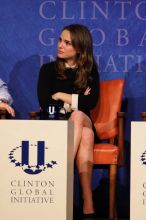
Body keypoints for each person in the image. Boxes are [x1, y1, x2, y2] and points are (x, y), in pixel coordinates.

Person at [37, 24, 100, 218]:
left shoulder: (89, 71)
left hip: (81, 119)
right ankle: (88, 201)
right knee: (87, 135)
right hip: (56, 126)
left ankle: (60, 174)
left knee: (79, 116)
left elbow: (91, 101)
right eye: (60, 40)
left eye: (67, 43)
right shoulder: (47, 70)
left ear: (80, 49)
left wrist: (61, 95)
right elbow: (45, 102)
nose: (60, 45)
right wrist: (75, 100)